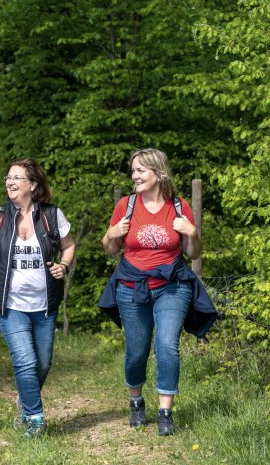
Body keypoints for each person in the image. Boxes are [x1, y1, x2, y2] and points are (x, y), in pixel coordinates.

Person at [98, 148, 216, 436]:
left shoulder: (179, 206)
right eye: (133, 170)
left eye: (140, 170)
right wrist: (109, 236)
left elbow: (193, 252)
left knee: (166, 344)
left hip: (172, 286)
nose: (134, 175)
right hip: (131, 287)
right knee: (136, 351)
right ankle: (136, 401)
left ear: (158, 173)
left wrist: (192, 231)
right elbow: (111, 247)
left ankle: (165, 412)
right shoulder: (126, 205)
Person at [0, 158, 75, 438]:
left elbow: (69, 246)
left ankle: (25, 400)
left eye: (17, 177)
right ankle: (35, 418)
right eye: (8, 177)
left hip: (44, 305)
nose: (10, 182)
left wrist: (63, 266)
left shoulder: (52, 216)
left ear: (33, 184)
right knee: (25, 361)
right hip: (9, 304)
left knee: (43, 363)